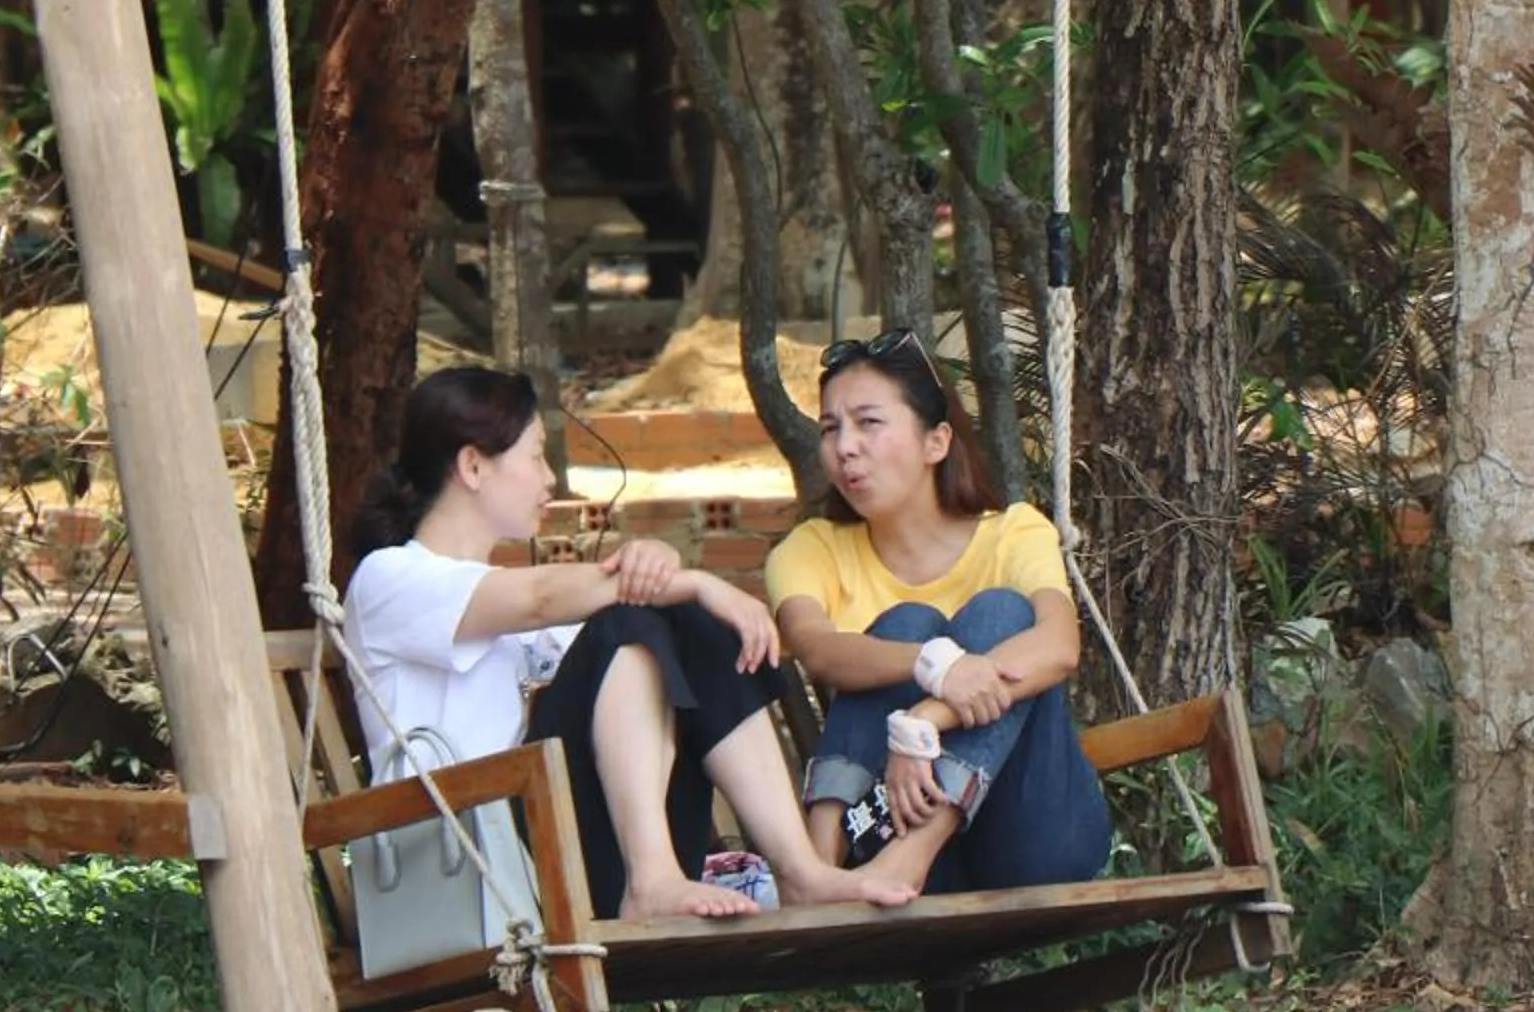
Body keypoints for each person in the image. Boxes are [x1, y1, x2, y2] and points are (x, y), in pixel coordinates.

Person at [345, 365, 914, 921]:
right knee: (632, 621)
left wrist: (661, 570)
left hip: (547, 854)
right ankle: (652, 878)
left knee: (674, 621)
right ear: (473, 465)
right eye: (536, 454)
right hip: (467, 871)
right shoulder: (389, 581)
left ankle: (800, 872)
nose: (549, 479)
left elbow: (612, 614)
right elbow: (541, 596)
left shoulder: (500, 601)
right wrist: (695, 580)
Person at [769, 327, 1113, 896]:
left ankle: (911, 851)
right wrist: (933, 664)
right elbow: (820, 651)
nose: (845, 446)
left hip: (1034, 840)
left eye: (868, 423)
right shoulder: (812, 549)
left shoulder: (1014, 533)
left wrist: (925, 720)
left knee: (1001, 612)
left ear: (937, 442)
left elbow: (1058, 646)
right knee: (907, 627)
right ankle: (826, 859)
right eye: (831, 428)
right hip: (882, 832)